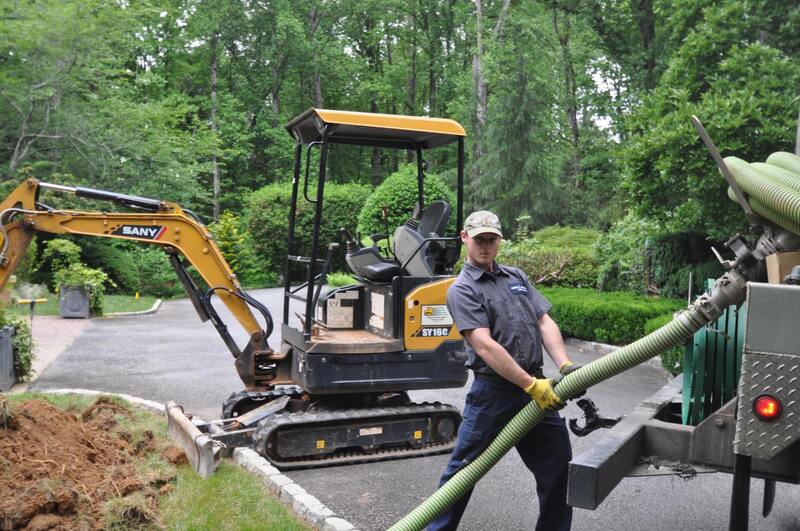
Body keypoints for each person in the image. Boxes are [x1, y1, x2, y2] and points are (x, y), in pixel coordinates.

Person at [428, 210, 579, 531]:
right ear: (464, 238)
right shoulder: (462, 289)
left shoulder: (517, 277)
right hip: (494, 394)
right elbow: (483, 345)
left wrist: (564, 364)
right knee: (463, 473)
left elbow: (543, 321)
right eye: (479, 239)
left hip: (536, 388)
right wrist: (530, 385)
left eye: (491, 239)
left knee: (558, 468)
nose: (485, 245)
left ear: (499, 241)